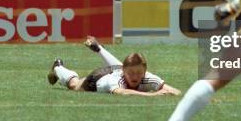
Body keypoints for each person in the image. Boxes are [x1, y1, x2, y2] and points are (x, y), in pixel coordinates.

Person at [47, 36, 181, 96]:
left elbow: (174, 91)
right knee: (74, 85)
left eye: (139, 73)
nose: (135, 77)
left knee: (121, 66)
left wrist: (174, 93)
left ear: (145, 71)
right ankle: (58, 66)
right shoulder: (117, 81)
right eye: (131, 73)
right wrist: (154, 95)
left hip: (117, 69)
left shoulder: (147, 77)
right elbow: (122, 92)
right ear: (124, 72)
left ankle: (98, 48)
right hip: (98, 78)